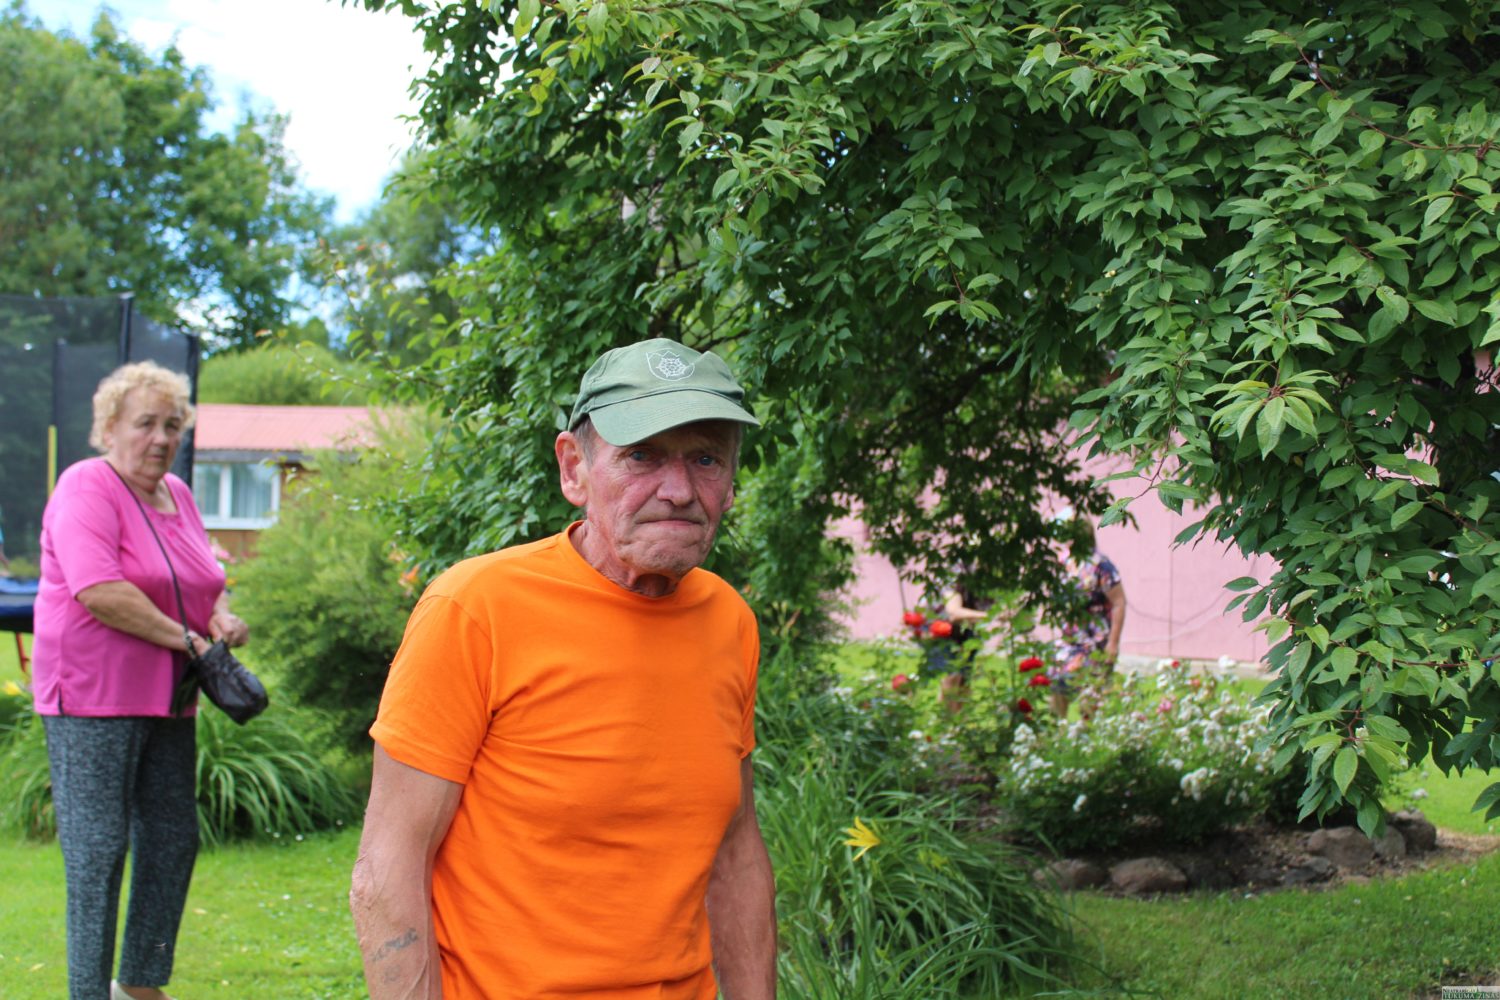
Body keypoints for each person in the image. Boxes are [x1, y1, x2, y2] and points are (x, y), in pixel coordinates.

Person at [351, 338, 777, 1000]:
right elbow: (388, 865)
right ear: (574, 468)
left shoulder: (730, 622)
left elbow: (736, 852)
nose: (678, 490)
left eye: (705, 458)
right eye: (642, 455)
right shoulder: (476, 609)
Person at [31, 361, 250, 1000]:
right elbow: (99, 590)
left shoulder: (177, 493)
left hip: (168, 696)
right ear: (109, 428)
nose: (161, 438)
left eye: (172, 425)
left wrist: (219, 616)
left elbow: (201, 577)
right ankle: (88, 993)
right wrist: (189, 640)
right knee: (97, 852)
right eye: (146, 423)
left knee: (173, 840)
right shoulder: (86, 486)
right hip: (92, 695)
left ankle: (139, 984)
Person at [1048, 517, 1125, 718]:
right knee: (1057, 685)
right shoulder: (1063, 562)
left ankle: (1086, 732)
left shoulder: (1101, 565)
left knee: (1090, 696)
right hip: (1068, 640)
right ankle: (1058, 730)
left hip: (1095, 642)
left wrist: (1113, 644)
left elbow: (1119, 602)